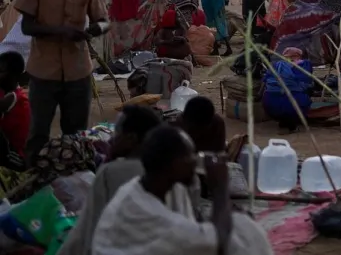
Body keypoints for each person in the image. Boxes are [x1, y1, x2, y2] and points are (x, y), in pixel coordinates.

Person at [92, 125, 273, 255]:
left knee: (240, 224)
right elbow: (217, 242)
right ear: (173, 165)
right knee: (246, 233)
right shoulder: (146, 212)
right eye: (189, 157)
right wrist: (220, 189)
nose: (195, 162)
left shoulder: (144, 189)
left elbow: (198, 224)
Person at [16, 0, 109, 163]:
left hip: (78, 71)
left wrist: (96, 29)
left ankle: (72, 183)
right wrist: (60, 32)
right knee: (38, 134)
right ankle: (34, 185)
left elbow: (104, 21)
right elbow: (27, 26)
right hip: (43, 72)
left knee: (76, 136)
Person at [58, 105, 163, 255]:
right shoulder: (165, 170)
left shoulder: (112, 172)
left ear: (131, 139)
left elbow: (87, 229)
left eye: (118, 132)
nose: (112, 139)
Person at [263, 48, 313, 132]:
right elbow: (307, 80)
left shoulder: (276, 65)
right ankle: (292, 125)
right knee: (304, 95)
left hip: (269, 104)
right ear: (298, 56)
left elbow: (265, 80)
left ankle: (283, 121)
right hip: (292, 103)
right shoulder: (304, 64)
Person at [0, 52, 29, 171]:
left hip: (16, 157)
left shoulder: (14, 98)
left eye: (1, 72)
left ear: (14, 76)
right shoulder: (6, 90)